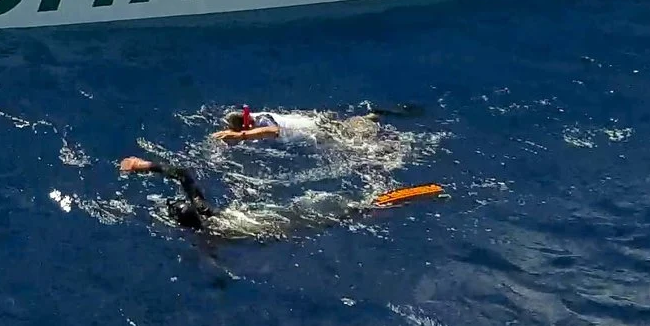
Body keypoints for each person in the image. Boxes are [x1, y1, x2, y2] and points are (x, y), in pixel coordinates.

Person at [119, 153, 444, 242]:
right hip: (279, 216)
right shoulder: (206, 212)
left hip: (281, 228)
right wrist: (144, 166)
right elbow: (184, 175)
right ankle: (392, 200)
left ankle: (394, 202)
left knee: (350, 214)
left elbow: (212, 260)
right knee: (351, 209)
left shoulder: (208, 232)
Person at [212, 102, 427, 146]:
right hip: (317, 123)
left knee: (362, 145)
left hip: (321, 132)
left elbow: (273, 130)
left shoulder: (262, 121)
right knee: (349, 127)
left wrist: (240, 137)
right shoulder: (257, 115)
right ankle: (373, 115)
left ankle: (380, 122)